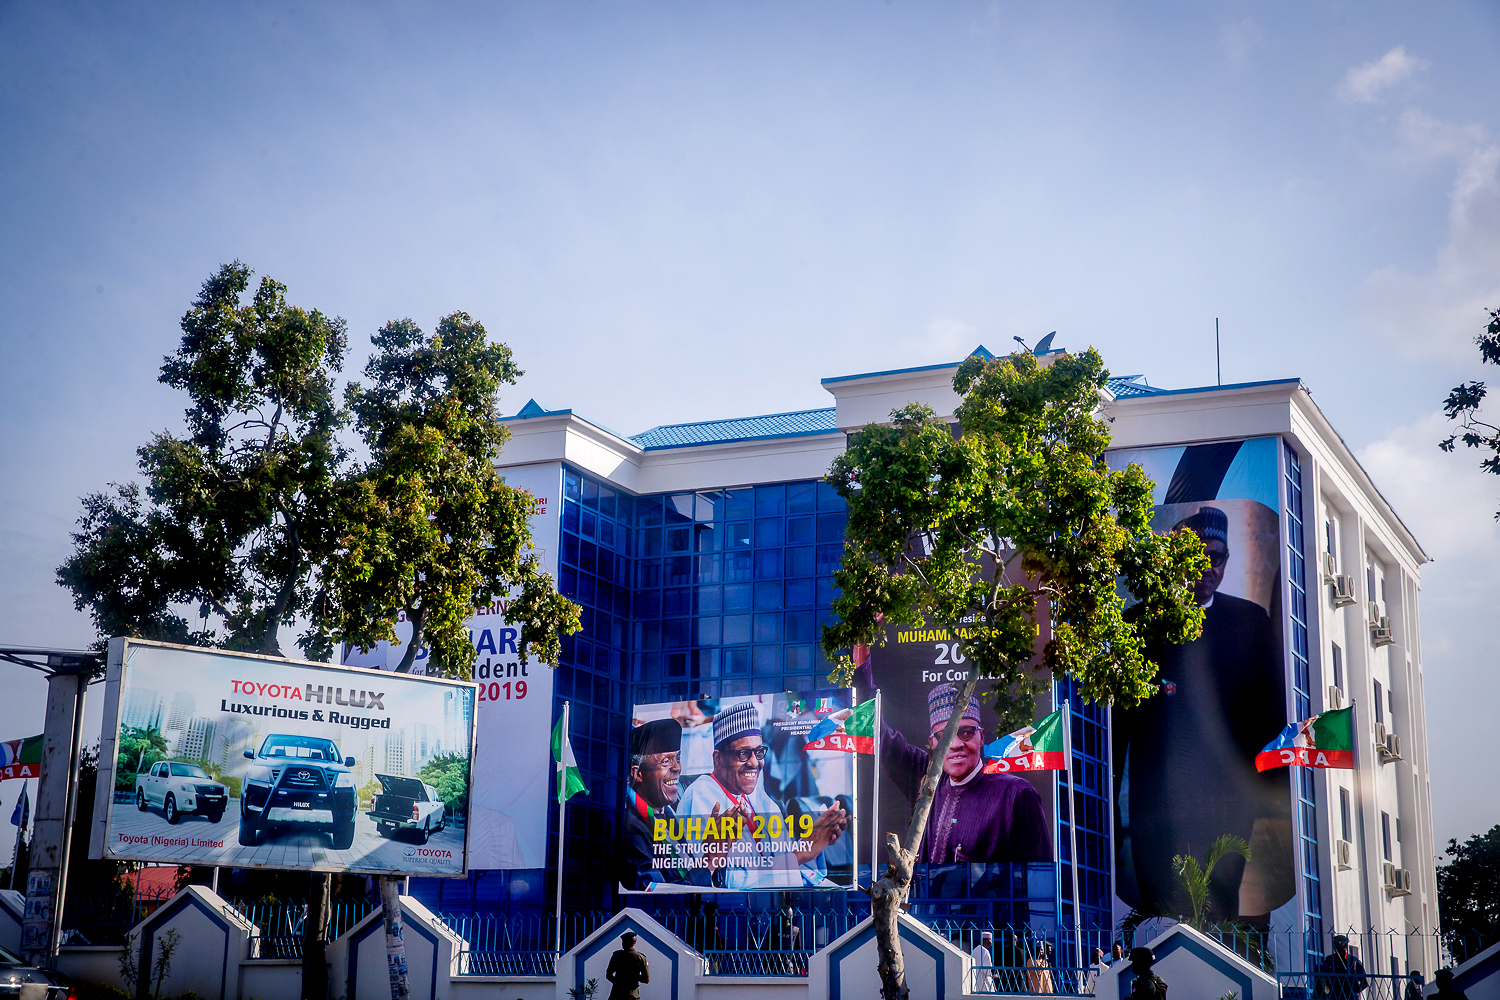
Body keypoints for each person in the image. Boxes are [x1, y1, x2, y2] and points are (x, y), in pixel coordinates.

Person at [1113, 504, 1291, 920]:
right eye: (1197, 557)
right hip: (1157, 794)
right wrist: (1109, 787)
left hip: (1226, 792)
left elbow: (1270, 708)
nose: (1207, 567)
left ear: (1227, 561)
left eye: (1217, 557)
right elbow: (1119, 718)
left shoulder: (1249, 621)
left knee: (1219, 903)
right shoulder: (1140, 623)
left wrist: (1272, 788)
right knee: (1159, 904)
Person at [872, 679, 1051, 863]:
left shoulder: (1016, 794)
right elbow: (880, 735)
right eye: (944, 736)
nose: (956, 744)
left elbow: (1040, 875)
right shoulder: (928, 779)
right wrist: (861, 661)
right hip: (926, 893)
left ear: (981, 737)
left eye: (966, 732)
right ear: (933, 743)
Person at [676, 701, 849, 888]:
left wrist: (815, 839)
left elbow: (792, 866)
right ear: (718, 758)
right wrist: (801, 853)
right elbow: (729, 883)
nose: (755, 762)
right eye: (743, 753)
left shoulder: (762, 800)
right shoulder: (700, 795)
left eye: (759, 752)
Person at [621, 718, 713, 890]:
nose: (677, 768)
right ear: (637, 774)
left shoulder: (669, 815)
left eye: (677, 758)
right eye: (665, 761)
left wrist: (713, 844)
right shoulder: (633, 828)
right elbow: (659, 894)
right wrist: (709, 861)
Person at [1315, 935, 1368, 999]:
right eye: (1336, 945)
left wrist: (1354, 991)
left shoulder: (1353, 961)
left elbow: (1364, 983)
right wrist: (1328, 990)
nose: (1337, 948)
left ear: (1345, 946)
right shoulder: (1329, 960)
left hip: (1350, 996)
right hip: (1334, 995)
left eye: (1340, 945)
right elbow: (1323, 977)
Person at [605, 931, 650, 1000]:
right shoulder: (641, 958)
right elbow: (646, 979)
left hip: (616, 994)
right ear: (634, 943)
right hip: (632, 995)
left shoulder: (616, 955)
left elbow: (608, 975)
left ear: (624, 943)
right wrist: (634, 977)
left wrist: (619, 983)